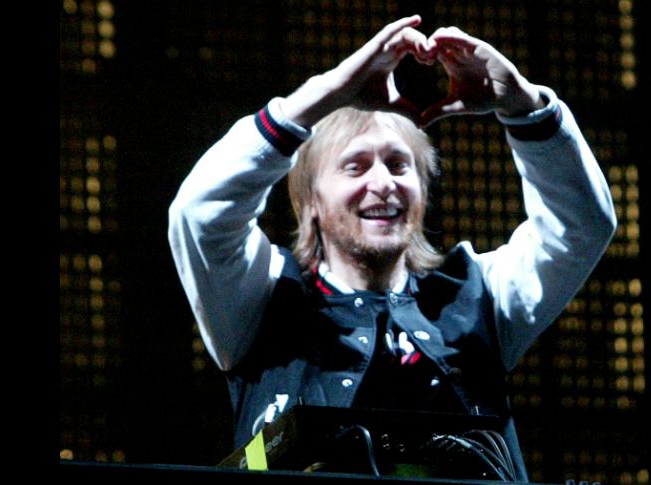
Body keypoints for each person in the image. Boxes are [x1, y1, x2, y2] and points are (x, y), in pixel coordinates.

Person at [168, 15, 616, 480]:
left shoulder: (477, 296)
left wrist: (525, 107)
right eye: (356, 166)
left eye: (400, 165)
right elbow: (200, 213)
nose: (383, 183)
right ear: (311, 200)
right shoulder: (259, 300)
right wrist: (325, 92)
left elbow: (582, 225)